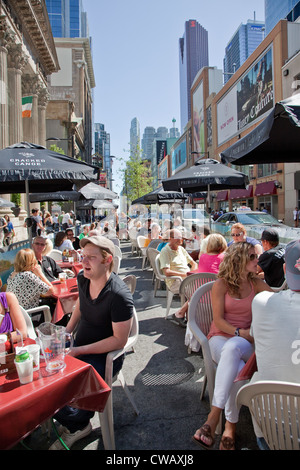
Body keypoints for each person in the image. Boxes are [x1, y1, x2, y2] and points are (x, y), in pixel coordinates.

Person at [50, 235, 134, 450]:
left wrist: (78, 351)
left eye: (91, 258)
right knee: (44, 373)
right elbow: (80, 303)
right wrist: (66, 333)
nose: (84, 261)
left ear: (107, 260)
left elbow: (119, 340)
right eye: (83, 256)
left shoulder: (118, 295)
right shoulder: (83, 278)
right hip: (78, 347)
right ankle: (73, 420)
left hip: (104, 357)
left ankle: (77, 425)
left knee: (62, 387)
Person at [193, 242, 273, 450]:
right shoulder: (221, 285)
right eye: (253, 257)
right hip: (221, 338)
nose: (258, 260)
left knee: (234, 348)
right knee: (236, 367)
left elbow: (277, 300)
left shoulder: (255, 283)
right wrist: (240, 332)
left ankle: (212, 418)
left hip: (246, 342)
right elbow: (218, 321)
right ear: (240, 261)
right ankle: (230, 427)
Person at [250, 238, 300, 450]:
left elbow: (254, 336)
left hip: (275, 432)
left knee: (256, 377)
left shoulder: (261, 303)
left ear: (284, 269)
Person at [159, 228, 197, 327]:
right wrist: (185, 275)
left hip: (187, 279)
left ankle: (183, 313)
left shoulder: (181, 249)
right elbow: (167, 272)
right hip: (175, 281)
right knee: (198, 291)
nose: (181, 240)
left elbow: (193, 263)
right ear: (170, 238)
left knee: (203, 287)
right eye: (177, 238)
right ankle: (183, 314)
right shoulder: (165, 251)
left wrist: (193, 271)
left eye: (181, 237)